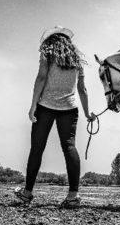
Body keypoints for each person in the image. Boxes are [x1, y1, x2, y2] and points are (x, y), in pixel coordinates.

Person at [14, 26, 95, 208]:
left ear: (50, 40)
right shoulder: (76, 60)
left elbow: (41, 78)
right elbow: (82, 89)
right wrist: (88, 112)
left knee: (37, 148)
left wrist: (33, 105)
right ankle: (73, 196)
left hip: (45, 107)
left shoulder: (47, 54)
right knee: (69, 147)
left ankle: (27, 194)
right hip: (69, 108)